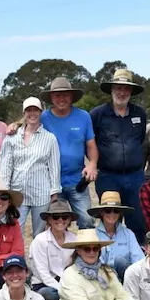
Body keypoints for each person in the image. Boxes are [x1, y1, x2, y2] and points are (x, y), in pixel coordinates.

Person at [89, 68, 148, 239]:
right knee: (110, 220)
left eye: (126, 89)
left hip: (135, 177)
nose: (122, 92)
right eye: (118, 88)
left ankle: (137, 252)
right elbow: (90, 143)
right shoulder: (97, 114)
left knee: (138, 220)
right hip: (108, 177)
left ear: (131, 92)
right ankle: (108, 253)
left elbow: (140, 139)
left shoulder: (140, 114)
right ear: (112, 90)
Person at [0, 96, 61, 237]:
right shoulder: (11, 137)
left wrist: (54, 193)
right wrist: (4, 191)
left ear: (41, 112)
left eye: (36, 110)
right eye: (29, 110)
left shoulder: (49, 138)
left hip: (41, 193)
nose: (32, 113)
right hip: (17, 193)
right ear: (24, 113)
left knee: (40, 234)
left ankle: (37, 253)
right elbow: (5, 166)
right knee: (14, 231)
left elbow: (54, 168)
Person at [40, 76, 97, 226]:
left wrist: (92, 164)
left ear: (71, 96)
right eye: (57, 95)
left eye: (65, 95)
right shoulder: (42, 118)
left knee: (87, 220)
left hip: (77, 180)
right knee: (55, 224)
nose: (61, 99)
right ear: (51, 97)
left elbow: (91, 145)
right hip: (51, 182)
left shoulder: (83, 116)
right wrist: (15, 125)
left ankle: (86, 242)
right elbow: (26, 123)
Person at [28, 197, 76, 300]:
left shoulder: (74, 239)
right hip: (43, 284)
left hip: (67, 283)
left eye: (64, 217)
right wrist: (65, 290)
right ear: (49, 219)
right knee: (48, 294)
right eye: (56, 216)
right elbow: (43, 274)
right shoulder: (40, 240)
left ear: (69, 219)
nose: (60, 220)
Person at [90, 191, 143, 280]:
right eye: (108, 211)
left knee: (121, 262)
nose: (112, 214)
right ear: (102, 213)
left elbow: (139, 260)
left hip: (127, 278)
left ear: (120, 214)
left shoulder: (128, 234)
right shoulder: (92, 235)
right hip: (102, 278)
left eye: (116, 211)